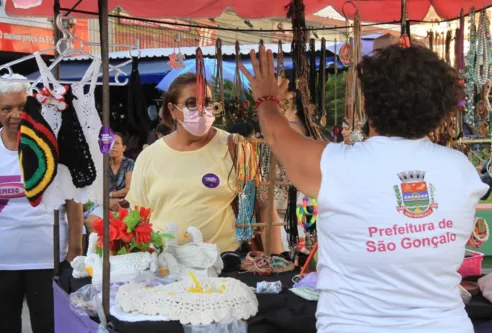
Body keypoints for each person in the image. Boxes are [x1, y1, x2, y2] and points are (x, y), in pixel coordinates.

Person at [241, 44, 487, 333]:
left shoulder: (334, 165)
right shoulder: (461, 168)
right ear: (441, 106)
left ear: (368, 101)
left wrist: (266, 98)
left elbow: (275, 132)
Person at [127, 72, 282, 253]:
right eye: (191, 103)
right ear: (172, 109)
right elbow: (137, 218)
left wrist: (275, 262)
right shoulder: (149, 156)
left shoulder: (237, 148)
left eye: (207, 102)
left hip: (224, 266)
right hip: (164, 267)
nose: (201, 110)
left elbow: (265, 208)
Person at [0, 75, 83, 333]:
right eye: (7, 108)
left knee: (51, 327)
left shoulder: (51, 143)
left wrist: (75, 248)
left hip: (48, 259)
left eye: (22, 106)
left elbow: (73, 198)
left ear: (33, 105)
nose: (15, 115)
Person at [84, 132, 134, 232]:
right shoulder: (103, 165)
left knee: (126, 224)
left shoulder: (129, 163)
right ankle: (100, 246)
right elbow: (97, 189)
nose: (112, 146)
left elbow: (128, 189)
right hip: (106, 203)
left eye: (116, 143)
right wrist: (107, 200)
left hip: (123, 204)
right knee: (90, 221)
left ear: (124, 148)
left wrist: (110, 195)